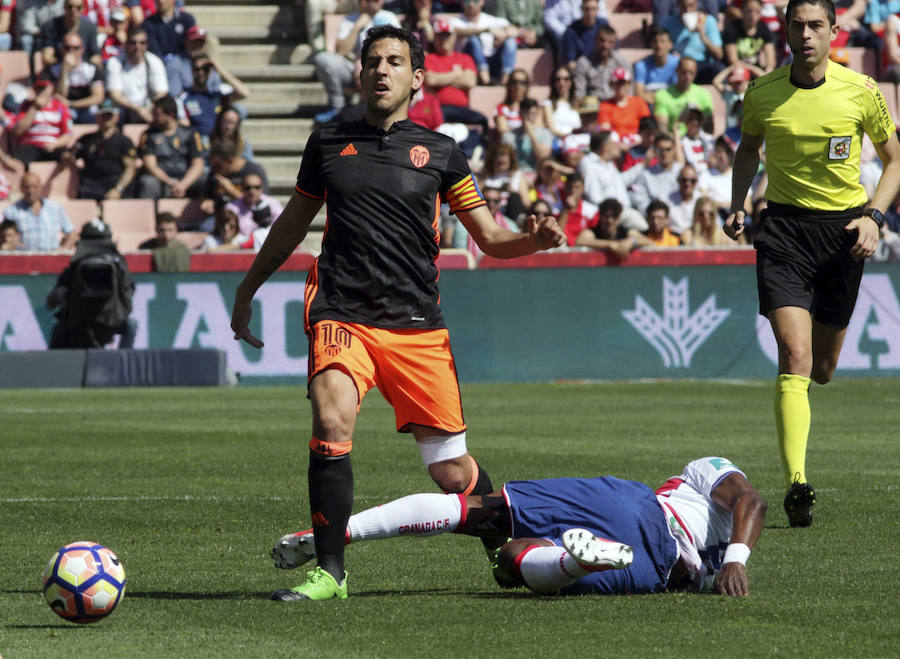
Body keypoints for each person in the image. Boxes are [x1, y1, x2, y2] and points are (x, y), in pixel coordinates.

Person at [230, 25, 566, 602]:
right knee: (331, 420)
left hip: (416, 326)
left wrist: (532, 242)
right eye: (372, 61)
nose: (381, 70)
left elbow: (487, 236)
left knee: (453, 475)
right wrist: (248, 288)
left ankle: (506, 546)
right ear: (359, 74)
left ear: (416, 78)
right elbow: (291, 224)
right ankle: (331, 572)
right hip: (341, 311)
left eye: (394, 61)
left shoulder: (441, 152)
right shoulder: (329, 143)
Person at [723, 0, 900, 528]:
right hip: (782, 232)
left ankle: (799, 460)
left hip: (844, 234)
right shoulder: (761, 92)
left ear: (834, 31)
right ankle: (797, 482)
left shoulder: (862, 91)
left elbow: (895, 161)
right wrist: (738, 202)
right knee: (795, 356)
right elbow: (747, 149)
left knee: (821, 370)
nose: (805, 35)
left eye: (815, 26)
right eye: (797, 25)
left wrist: (875, 217)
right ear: (785, 30)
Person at [272, 456, 767, 597]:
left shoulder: (695, 482)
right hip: (646, 544)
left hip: (640, 531)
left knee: (491, 527)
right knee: (507, 559)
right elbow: (751, 500)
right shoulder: (710, 475)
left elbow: (750, 500)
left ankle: (340, 533)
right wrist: (734, 561)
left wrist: (724, 565)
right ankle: (574, 562)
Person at [46, 219, 137, 348]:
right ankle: (124, 362)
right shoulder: (120, 265)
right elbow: (128, 299)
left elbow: (51, 302)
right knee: (131, 325)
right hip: (105, 322)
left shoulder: (75, 266)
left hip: (80, 324)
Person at [312, 0, 400, 125]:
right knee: (323, 59)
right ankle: (337, 106)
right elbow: (341, 51)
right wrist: (357, 26)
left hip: (381, 69)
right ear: (364, 2)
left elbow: (398, 50)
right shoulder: (350, 20)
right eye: (375, 0)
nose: (380, 2)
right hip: (353, 69)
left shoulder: (389, 17)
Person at [63, 98, 138, 201]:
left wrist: (118, 189)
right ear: (97, 117)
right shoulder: (86, 139)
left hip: (115, 181)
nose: (107, 119)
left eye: (110, 116)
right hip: (91, 183)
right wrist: (68, 158)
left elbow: (130, 168)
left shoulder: (124, 141)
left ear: (117, 118)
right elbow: (70, 156)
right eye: (104, 115)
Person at [137, 94, 205, 200]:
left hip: (184, 178)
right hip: (161, 179)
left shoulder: (189, 133)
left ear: (171, 114)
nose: (153, 117)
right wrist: (170, 182)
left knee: (205, 178)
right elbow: (150, 165)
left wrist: (183, 185)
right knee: (148, 183)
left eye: (157, 114)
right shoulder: (148, 135)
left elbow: (198, 164)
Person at [105, 25, 170, 124]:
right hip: (123, 108)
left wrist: (149, 108)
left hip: (148, 108)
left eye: (142, 43)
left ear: (147, 45)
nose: (137, 47)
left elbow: (162, 92)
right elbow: (115, 94)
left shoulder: (154, 62)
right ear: (126, 44)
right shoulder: (115, 62)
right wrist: (137, 109)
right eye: (133, 43)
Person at [178, 52, 250, 139]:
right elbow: (183, 124)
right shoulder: (184, 97)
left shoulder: (217, 94)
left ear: (210, 72)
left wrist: (219, 69)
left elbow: (244, 93)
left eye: (206, 69)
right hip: (199, 142)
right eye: (197, 69)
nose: (201, 73)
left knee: (244, 142)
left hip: (220, 140)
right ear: (191, 71)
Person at [42, 31, 105, 124]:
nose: (71, 51)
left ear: (82, 49)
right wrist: (64, 69)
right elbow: (60, 95)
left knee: (93, 112)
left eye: (76, 48)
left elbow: (98, 97)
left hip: (85, 108)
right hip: (63, 109)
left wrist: (71, 104)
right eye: (67, 48)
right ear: (62, 49)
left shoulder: (91, 68)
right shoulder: (52, 70)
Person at [450, 0, 519, 86]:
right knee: (473, 39)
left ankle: (505, 81)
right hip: (472, 65)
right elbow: (456, 31)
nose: (471, 5)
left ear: (482, 2)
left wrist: (503, 35)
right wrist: (486, 30)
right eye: (467, 1)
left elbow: (515, 31)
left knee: (510, 41)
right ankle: (485, 80)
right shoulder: (456, 21)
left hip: (494, 62)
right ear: (462, 3)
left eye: (475, 1)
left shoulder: (490, 19)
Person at [4, 172, 78, 250]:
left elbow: (72, 233)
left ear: (40, 187)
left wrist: (64, 249)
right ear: (21, 188)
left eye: (34, 187)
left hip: (51, 258)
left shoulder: (55, 208)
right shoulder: (11, 211)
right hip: (24, 258)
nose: (31, 190)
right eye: (27, 187)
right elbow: (5, 238)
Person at [10, 78, 74, 167]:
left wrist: (54, 144)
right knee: (15, 163)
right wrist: (34, 108)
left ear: (51, 89)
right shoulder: (25, 106)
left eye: (43, 88)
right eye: (38, 88)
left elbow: (68, 134)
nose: (40, 91)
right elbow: (18, 131)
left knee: (68, 157)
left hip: (54, 144)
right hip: (31, 146)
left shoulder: (61, 107)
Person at [660, 0, 725, 84]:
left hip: (702, 64)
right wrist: (670, 53)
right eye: (684, 6)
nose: (687, 10)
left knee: (719, 69)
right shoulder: (667, 23)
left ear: (697, 4)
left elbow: (719, 54)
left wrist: (703, 37)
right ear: (678, 5)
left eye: (691, 5)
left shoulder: (708, 21)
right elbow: (659, 46)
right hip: (678, 64)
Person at [627, 131, 684, 218]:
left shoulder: (682, 171)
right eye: (660, 149)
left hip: (680, 219)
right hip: (655, 220)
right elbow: (641, 201)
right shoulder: (646, 174)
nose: (664, 153)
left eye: (668, 149)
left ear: (674, 150)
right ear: (654, 151)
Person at [653, 56, 714, 134]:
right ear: (677, 71)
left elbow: (709, 128)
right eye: (684, 72)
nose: (687, 76)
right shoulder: (662, 95)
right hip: (673, 141)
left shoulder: (704, 94)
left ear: (695, 74)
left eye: (691, 73)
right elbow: (662, 130)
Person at [572, 24, 629, 104]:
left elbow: (629, 91)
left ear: (614, 44)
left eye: (610, 42)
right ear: (595, 40)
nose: (605, 45)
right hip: (592, 108)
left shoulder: (622, 63)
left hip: (616, 107)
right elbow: (579, 93)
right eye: (602, 40)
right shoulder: (583, 63)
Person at [596, 67, 651, 145]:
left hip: (637, 142)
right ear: (612, 85)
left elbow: (647, 126)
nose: (620, 86)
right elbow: (605, 130)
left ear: (628, 84)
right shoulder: (605, 106)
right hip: (616, 144)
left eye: (623, 82)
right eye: (617, 83)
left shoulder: (639, 102)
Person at [40, 0, 100, 68]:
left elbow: (96, 56)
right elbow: (47, 58)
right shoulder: (51, 25)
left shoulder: (90, 26)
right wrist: (65, 63)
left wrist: (81, 65)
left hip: (83, 70)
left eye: (78, 7)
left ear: (83, 9)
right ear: (64, 7)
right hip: (58, 70)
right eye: (70, 7)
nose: (73, 10)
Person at [574, 197, 639, 258]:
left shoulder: (626, 232)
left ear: (619, 219)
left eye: (614, 217)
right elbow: (580, 241)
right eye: (606, 216)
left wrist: (632, 241)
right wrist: (611, 245)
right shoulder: (592, 232)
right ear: (600, 217)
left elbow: (648, 241)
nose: (610, 221)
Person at [224, 171, 284, 237]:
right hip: (240, 245)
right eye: (248, 188)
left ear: (262, 188)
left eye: (257, 187)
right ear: (242, 188)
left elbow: (282, 228)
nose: (252, 191)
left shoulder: (273, 204)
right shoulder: (232, 208)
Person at [723, 0, 778, 72]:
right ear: (742, 10)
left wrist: (768, 71)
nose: (753, 15)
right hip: (736, 70)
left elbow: (771, 61)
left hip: (757, 70)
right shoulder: (732, 29)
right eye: (749, 11)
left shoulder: (764, 29)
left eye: (757, 11)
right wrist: (754, 70)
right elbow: (733, 60)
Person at [501, 97, 553, 173]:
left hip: (537, 174)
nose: (529, 117)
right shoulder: (508, 136)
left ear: (538, 113)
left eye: (533, 113)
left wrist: (531, 133)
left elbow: (543, 157)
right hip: (515, 175)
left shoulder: (545, 133)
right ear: (520, 113)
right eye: (526, 113)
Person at [634, 25, 681, 106]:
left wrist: (656, 97)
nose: (658, 45)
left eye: (662, 41)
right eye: (655, 42)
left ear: (671, 45)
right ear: (651, 44)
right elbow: (639, 94)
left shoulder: (678, 64)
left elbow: (681, 91)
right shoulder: (641, 66)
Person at [560, 0, 609, 70]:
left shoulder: (604, 25)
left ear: (598, 9)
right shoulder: (571, 31)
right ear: (581, 9)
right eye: (587, 9)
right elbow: (570, 63)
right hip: (581, 72)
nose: (590, 13)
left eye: (593, 9)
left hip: (602, 69)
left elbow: (612, 50)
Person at [558, 171, 598, 246]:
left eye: (577, 187)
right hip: (562, 249)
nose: (572, 191)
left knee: (588, 234)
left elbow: (595, 236)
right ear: (565, 188)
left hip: (583, 251)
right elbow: (557, 234)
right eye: (570, 187)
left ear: (583, 188)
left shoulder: (591, 211)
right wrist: (566, 209)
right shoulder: (556, 208)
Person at [541, 66, 582, 141]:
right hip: (559, 142)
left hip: (579, 141)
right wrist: (567, 137)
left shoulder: (578, 103)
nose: (562, 83)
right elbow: (552, 129)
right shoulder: (547, 104)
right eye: (558, 79)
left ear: (571, 81)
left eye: (566, 79)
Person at [493, 68, 531, 137]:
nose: (518, 86)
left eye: (522, 83)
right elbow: (503, 132)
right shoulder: (501, 108)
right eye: (514, 82)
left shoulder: (532, 106)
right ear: (509, 85)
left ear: (527, 86)